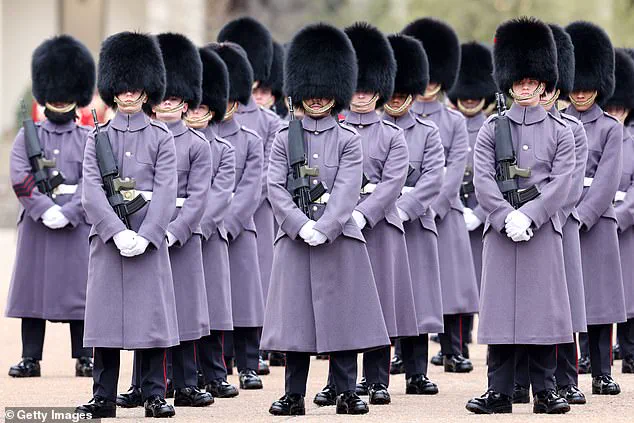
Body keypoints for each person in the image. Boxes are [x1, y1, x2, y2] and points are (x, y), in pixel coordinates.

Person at [261, 23, 389, 416]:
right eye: (310, 92)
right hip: (296, 238)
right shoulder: (285, 137)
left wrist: (327, 226)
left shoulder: (349, 139)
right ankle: (293, 394)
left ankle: (347, 391)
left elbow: (350, 188)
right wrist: (300, 225)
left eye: (324, 92)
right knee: (295, 323)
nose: (316, 99)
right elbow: (275, 186)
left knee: (344, 319)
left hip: (340, 239)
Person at [466, 17, 575, 415]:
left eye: (533, 81)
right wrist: (502, 216)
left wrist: (530, 215)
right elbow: (482, 178)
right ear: (509, 82)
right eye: (520, 81)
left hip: (541, 232)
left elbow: (564, 182)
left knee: (542, 316)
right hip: (501, 232)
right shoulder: (492, 130)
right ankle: (498, 391)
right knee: (501, 316)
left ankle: (546, 391)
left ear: (544, 83)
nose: (526, 87)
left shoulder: (561, 131)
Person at [312, 22, 417, 407]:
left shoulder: (392, 134)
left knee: (378, 305)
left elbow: (392, 183)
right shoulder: (333, 132)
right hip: (338, 225)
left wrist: (364, 214)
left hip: (377, 228)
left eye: (367, 90)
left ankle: (377, 378)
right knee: (340, 302)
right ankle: (339, 380)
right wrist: (339, 215)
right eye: (355, 88)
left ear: (379, 92)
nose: (360, 96)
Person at [75, 31, 179, 419]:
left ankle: (154, 394)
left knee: (150, 322)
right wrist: (116, 232)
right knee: (105, 323)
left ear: (147, 89)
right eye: (123, 87)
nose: (130, 94)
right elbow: (90, 192)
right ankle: (103, 395)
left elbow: (167, 191)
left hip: (147, 239)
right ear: (113, 90)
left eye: (137, 87)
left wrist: (148, 235)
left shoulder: (161, 137)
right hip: (109, 240)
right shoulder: (97, 137)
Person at [7, 34, 95, 378]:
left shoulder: (89, 137)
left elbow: (94, 179)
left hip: (77, 221)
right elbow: (19, 176)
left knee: (81, 293)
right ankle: (31, 357)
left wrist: (71, 211)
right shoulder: (28, 135)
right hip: (37, 223)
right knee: (32, 294)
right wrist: (44, 209)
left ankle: (84, 356)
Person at [513, 23, 589, 406]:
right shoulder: (509, 127)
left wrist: (538, 213)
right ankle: (521, 380)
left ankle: (566, 378)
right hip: (526, 223)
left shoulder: (571, 128)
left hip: (559, 222)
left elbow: (571, 184)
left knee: (563, 307)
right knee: (526, 304)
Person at [403, 18, 479, 372]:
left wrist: (433, 204)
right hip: (406, 211)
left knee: (453, 290)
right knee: (407, 285)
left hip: (444, 212)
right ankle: (405, 353)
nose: (431, 81)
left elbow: (456, 168)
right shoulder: (401, 117)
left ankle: (454, 349)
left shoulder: (454, 121)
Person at [565, 20, 626, 395]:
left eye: (589, 86)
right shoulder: (559, 124)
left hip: (597, 221)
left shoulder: (610, 128)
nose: (582, 92)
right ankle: (567, 374)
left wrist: (583, 215)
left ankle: (602, 372)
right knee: (569, 301)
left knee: (601, 305)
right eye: (577, 85)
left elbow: (607, 181)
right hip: (562, 218)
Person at [382, 33, 445, 395]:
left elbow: (432, 178)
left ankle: (417, 373)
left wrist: (402, 209)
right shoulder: (363, 131)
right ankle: (374, 373)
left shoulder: (427, 131)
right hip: (378, 226)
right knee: (382, 298)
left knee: (418, 302)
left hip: (416, 224)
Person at [208, 41, 266, 389]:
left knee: (245, 301)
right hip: (206, 229)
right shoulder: (200, 136)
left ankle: (248, 364)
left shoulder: (250, 138)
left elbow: (253, 187)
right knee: (213, 301)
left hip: (241, 228)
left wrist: (229, 222)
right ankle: (215, 364)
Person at [187, 46, 240, 399]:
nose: (196, 113)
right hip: (176, 236)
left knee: (214, 309)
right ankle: (178, 376)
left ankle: (216, 373)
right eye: (192, 106)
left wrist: (195, 227)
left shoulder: (223, 149)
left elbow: (221, 194)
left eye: (204, 108)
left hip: (207, 235)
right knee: (177, 309)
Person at [446, 41, 499, 358]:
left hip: (484, 214)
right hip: (454, 210)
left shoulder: (493, 126)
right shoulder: (448, 126)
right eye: (463, 94)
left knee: (484, 284)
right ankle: (456, 345)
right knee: (457, 284)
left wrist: (479, 212)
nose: (468, 98)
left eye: (474, 93)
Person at [603, 49, 634, 376]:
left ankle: (630, 351)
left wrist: (621, 216)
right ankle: (591, 354)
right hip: (596, 221)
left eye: (620, 109)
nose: (616, 114)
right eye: (611, 108)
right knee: (595, 292)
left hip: (626, 226)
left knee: (630, 294)